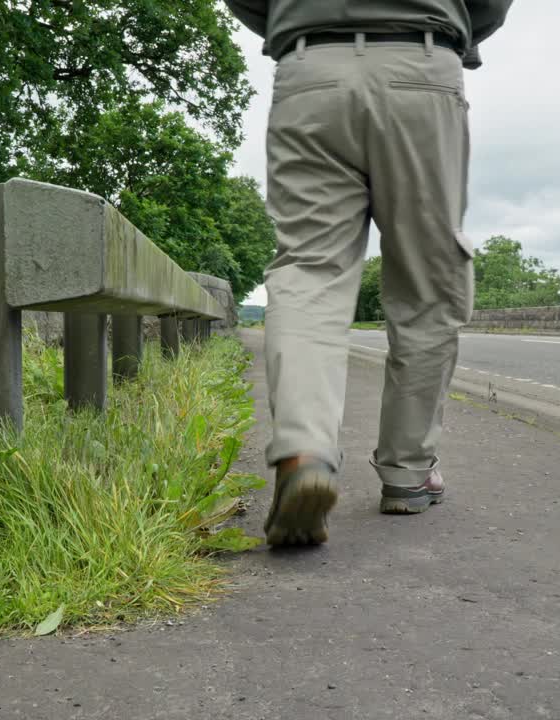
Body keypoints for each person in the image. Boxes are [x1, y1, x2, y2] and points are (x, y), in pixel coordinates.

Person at [224, 0, 513, 546]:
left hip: (310, 70)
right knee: (427, 282)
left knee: (309, 270)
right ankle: (408, 472)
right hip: (420, 66)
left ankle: (305, 451)